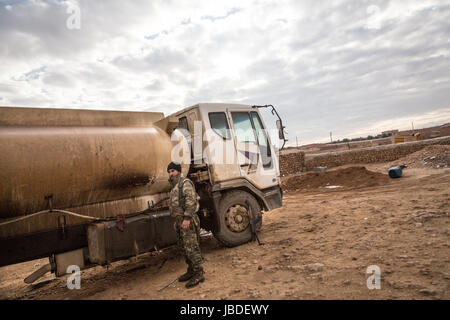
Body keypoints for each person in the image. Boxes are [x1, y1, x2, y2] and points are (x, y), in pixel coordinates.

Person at [167, 161, 204, 288]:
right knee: (184, 248)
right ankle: (191, 270)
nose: (171, 174)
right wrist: (176, 221)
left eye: (173, 171)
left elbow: (191, 201)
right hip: (180, 221)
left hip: (187, 220)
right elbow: (177, 205)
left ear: (178, 171)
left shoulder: (185, 183)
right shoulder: (174, 187)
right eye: (169, 172)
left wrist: (187, 218)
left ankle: (199, 273)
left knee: (191, 248)